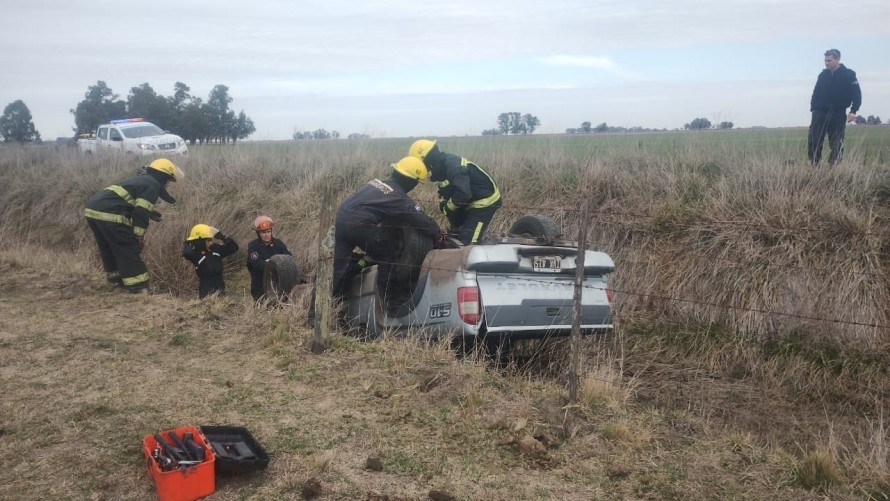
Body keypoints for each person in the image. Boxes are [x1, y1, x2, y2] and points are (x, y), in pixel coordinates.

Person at [332, 156, 442, 299]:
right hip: (360, 224)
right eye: (416, 182)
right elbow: (418, 217)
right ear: (410, 180)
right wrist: (437, 234)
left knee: (336, 268)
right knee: (387, 255)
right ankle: (388, 299)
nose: (414, 186)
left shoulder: (378, 182)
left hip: (340, 219)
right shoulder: (398, 196)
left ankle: (323, 308)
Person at [84, 158, 181, 293]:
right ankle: (140, 289)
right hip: (110, 214)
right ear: (164, 176)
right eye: (168, 180)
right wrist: (138, 237)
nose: (167, 184)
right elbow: (140, 213)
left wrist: (149, 211)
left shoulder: (142, 179)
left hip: (92, 210)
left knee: (109, 249)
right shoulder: (152, 184)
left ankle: (116, 283)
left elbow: (129, 200)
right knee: (127, 249)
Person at [408, 139, 501, 245]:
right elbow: (447, 191)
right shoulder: (440, 169)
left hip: (485, 202)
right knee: (457, 235)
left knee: (469, 242)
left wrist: (447, 208)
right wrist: (446, 206)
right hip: (470, 202)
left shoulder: (453, 165)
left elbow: (463, 194)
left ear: (427, 161)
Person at [807, 48, 862, 165]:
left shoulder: (849, 74)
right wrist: (813, 108)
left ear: (837, 60)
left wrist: (853, 110)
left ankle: (834, 167)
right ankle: (814, 165)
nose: (826, 63)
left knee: (837, 141)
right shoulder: (822, 75)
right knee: (814, 139)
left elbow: (857, 93)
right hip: (820, 112)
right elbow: (816, 92)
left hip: (838, 112)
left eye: (829, 61)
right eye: (825, 61)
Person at [181, 224, 239, 298]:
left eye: (211, 240)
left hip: (221, 293)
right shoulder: (195, 254)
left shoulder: (216, 249)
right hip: (206, 296)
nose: (211, 243)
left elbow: (233, 247)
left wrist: (222, 236)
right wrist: (188, 242)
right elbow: (186, 253)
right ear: (200, 241)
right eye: (208, 240)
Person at [246, 215, 293, 301]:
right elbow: (256, 263)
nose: (266, 235)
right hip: (260, 283)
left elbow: (288, 257)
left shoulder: (278, 243)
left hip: (278, 281)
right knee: (261, 304)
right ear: (258, 234)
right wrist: (274, 265)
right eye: (263, 232)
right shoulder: (253, 246)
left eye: (268, 231)